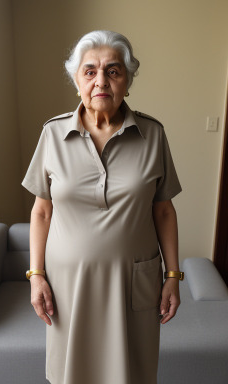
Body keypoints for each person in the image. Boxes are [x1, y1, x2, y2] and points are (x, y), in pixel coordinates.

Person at [22, 30, 184, 384]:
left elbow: (164, 211)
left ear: (127, 80)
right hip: (68, 288)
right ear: (76, 80)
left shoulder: (152, 135)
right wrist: (36, 276)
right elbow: (42, 211)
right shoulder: (52, 135)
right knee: (71, 373)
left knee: (132, 373)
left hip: (132, 284)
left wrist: (173, 276)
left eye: (113, 71)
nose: (101, 81)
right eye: (90, 71)